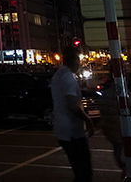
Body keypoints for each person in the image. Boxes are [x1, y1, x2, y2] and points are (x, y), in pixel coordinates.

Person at [51, 47, 94, 182]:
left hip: (62, 128)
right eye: (79, 60)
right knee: (84, 169)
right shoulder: (68, 78)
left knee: (78, 168)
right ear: (75, 60)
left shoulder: (58, 75)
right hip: (72, 131)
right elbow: (72, 105)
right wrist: (88, 120)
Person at [96, 77, 131, 170]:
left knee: (119, 153)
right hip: (125, 131)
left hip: (113, 132)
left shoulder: (105, 96)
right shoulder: (126, 96)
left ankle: (125, 170)